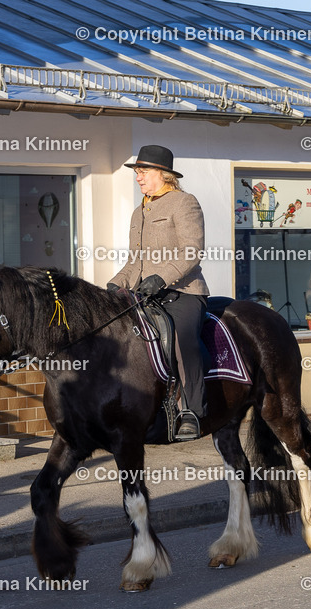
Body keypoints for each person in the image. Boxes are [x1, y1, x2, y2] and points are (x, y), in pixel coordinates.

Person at [108, 145, 209, 441]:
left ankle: (191, 410)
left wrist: (160, 278)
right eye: (137, 172)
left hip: (184, 292)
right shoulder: (138, 211)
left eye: (144, 171)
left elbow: (192, 252)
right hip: (146, 293)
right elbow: (133, 262)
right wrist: (115, 284)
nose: (138, 177)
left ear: (164, 175)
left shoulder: (184, 202)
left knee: (180, 339)